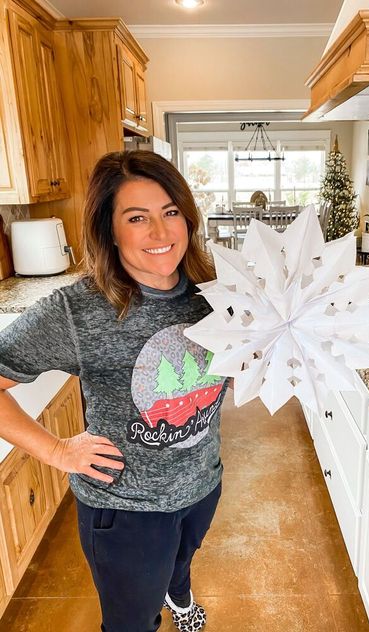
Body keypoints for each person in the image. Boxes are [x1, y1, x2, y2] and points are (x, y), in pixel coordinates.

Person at [0, 150, 229, 632]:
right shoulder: (76, 310)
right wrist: (57, 449)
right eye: (137, 217)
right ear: (110, 230)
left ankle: (178, 591)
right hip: (125, 512)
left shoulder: (219, 294)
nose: (161, 232)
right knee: (131, 622)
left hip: (202, 480)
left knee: (182, 559)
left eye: (170, 212)